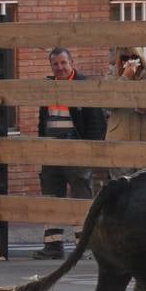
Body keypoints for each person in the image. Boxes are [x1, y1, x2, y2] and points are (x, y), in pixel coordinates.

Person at [34, 47, 107, 260]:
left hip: (76, 148)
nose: (60, 68)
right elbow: (42, 121)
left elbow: (96, 122)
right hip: (51, 148)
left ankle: (83, 244)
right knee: (51, 197)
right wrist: (40, 148)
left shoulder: (83, 86)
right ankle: (53, 245)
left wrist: (89, 151)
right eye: (55, 64)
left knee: (81, 194)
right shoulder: (49, 87)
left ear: (71, 63)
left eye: (63, 63)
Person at [106, 46, 146, 175]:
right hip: (120, 143)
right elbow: (107, 104)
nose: (130, 62)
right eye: (125, 58)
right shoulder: (112, 76)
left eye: (134, 58)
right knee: (122, 188)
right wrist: (125, 77)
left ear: (140, 58)